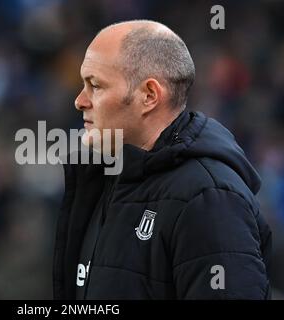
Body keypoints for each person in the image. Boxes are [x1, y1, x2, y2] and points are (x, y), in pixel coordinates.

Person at [53, 20, 272, 299]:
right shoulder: (105, 178)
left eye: (95, 85)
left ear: (149, 95)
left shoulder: (209, 198)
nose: (80, 100)